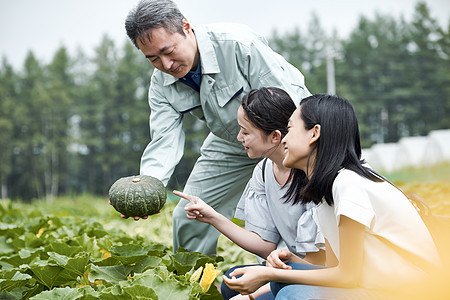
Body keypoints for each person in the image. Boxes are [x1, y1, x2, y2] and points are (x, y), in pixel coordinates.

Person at [124, 0, 311, 255]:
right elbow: (164, 140)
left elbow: (289, 102)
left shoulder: (238, 45)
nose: (166, 65)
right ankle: (192, 286)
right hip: (230, 140)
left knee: (294, 206)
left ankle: (292, 275)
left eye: (169, 51)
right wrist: (146, 190)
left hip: (285, 136)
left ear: (186, 27)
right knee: (189, 214)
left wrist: (298, 153)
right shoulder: (161, 85)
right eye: (153, 59)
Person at [221, 94, 442, 299]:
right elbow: (333, 271)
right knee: (280, 282)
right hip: (374, 284)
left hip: (413, 291)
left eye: (290, 130)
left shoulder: (349, 185)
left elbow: (347, 277)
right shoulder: (326, 194)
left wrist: (268, 275)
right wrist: (288, 261)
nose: (284, 140)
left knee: (293, 294)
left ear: (314, 133)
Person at [174, 87, 325, 300]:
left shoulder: (313, 173)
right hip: (289, 266)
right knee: (231, 281)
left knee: (282, 294)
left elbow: (320, 264)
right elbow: (264, 244)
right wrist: (212, 216)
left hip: (319, 272)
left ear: (275, 136)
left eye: (246, 132)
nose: (239, 138)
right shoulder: (263, 171)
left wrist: (253, 294)